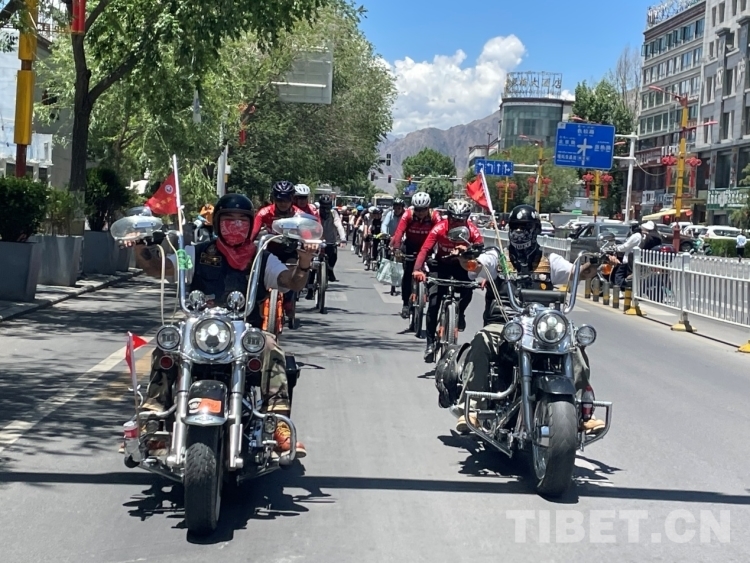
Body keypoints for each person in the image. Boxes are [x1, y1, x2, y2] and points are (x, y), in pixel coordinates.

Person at [133, 193, 314, 457]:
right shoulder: (194, 252)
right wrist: (140, 246)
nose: (236, 225)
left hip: (245, 334)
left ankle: (278, 424)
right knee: (166, 347)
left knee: (271, 347)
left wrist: (304, 262)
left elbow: (292, 282)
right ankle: (152, 419)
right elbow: (160, 267)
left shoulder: (262, 258)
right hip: (200, 333)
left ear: (251, 224)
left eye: (242, 220)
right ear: (217, 222)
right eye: (229, 219)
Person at [453, 204, 603, 435]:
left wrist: (593, 264)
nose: (519, 232)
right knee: (482, 340)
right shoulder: (497, 257)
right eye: (515, 227)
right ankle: (472, 407)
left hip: (541, 326)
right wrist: (466, 257)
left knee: (574, 347)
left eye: (525, 227)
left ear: (536, 230)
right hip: (505, 323)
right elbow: (474, 266)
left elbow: (577, 273)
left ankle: (584, 413)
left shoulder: (549, 260)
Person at [413, 199, 481, 363]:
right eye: (454, 219)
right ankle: (430, 343)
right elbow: (425, 249)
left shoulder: (472, 231)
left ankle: (460, 313)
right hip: (441, 266)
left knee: (468, 290)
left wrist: (468, 250)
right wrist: (417, 269)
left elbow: (481, 249)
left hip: (461, 266)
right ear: (448, 217)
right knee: (434, 303)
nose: (457, 223)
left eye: (461, 220)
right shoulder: (439, 228)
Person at [251, 181, 306, 315]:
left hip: (290, 251)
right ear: (274, 199)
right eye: (279, 200)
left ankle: (289, 299)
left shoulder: (299, 215)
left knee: (292, 271)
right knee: (258, 270)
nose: (283, 203)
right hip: (270, 250)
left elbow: (308, 234)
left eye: (287, 200)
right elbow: (252, 234)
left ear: (292, 199)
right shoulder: (264, 213)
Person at [390, 192, 442, 319]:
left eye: (423, 209)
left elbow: (442, 234)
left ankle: (429, 290)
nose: (420, 213)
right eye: (417, 209)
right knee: (408, 273)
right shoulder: (408, 214)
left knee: (434, 269)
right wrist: (396, 248)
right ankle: (405, 304)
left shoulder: (435, 216)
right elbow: (399, 232)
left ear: (428, 207)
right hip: (410, 246)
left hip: (428, 248)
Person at [308, 194, 346, 292]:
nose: (325, 210)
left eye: (327, 207)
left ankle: (330, 269)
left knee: (333, 257)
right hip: (316, 240)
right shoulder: (315, 213)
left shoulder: (334, 213)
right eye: (323, 207)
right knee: (312, 264)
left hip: (330, 241)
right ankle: (310, 288)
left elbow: (339, 225)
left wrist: (343, 238)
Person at [610, 221, 642, 291]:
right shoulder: (638, 236)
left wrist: (616, 248)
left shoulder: (636, 236)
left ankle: (618, 290)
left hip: (629, 258)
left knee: (618, 274)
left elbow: (626, 246)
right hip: (632, 258)